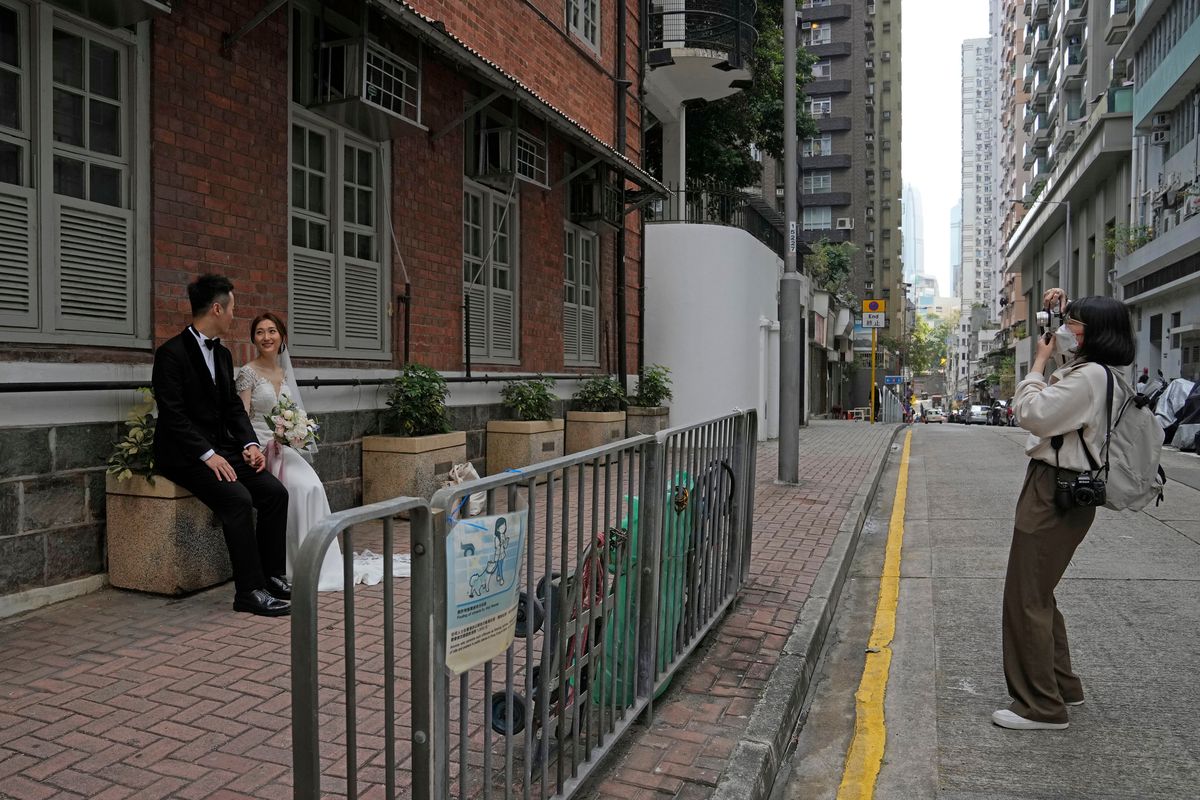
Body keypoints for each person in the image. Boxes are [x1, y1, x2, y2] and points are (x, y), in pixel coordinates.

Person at [995, 287, 1135, 730]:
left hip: (1055, 490)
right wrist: (1061, 311)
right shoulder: (1097, 372)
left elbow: (1034, 413)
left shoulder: (1089, 377)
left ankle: (1041, 706)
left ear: (1093, 334)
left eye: (1073, 324)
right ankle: (1063, 685)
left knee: (1026, 597)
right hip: (1065, 489)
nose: (1064, 331)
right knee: (1039, 592)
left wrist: (1035, 365)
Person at [152, 275, 291, 617]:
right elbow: (173, 416)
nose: (234, 316)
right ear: (217, 308)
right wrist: (208, 455)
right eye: (232, 309)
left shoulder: (224, 355)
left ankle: (272, 575)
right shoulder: (170, 354)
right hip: (184, 455)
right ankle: (249, 591)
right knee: (238, 498)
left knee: (275, 493)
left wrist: (249, 443)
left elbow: (232, 408)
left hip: (222, 449)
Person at [237, 313, 344, 592]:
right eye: (260, 332)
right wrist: (252, 447)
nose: (266, 337)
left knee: (312, 486)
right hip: (259, 447)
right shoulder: (247, 373)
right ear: (253, 339)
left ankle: (313, 562)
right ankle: (283, 567)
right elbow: (240, 417)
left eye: (272, 331)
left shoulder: (284, 374)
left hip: (284, 447)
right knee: (297, 488)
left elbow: (293, 414)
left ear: (282, 336)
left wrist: (296, 432)